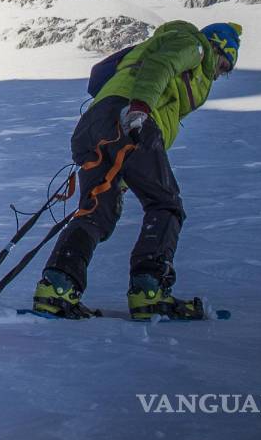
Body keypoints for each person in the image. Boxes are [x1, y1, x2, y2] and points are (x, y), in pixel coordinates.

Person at [33, 21, 243, 321]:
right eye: (224, 64)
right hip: (129, 120)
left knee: (97, 211)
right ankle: (149, 291)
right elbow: (160, 65)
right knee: (165, 203)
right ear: (217, 47)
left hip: (97, 125)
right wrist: (140, 109)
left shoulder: (172, 50)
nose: (220, 72)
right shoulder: (192, 46)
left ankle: (57, 288)